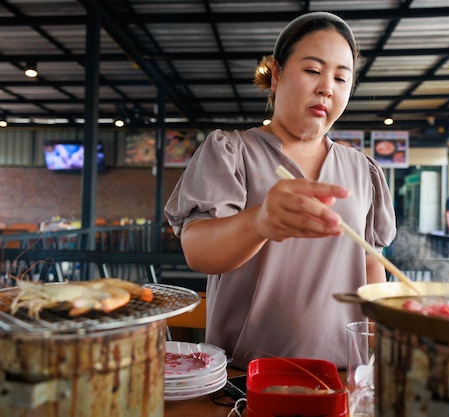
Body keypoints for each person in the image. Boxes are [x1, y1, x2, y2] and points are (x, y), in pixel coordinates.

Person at [164, 12, 396, 370]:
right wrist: (260, 221)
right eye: (313, 70)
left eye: (340, 77)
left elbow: (369, 264)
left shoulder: (362, 170)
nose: (327, 88)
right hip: (242, 376)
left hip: (341, 374)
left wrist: (380, 352)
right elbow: (197, 251)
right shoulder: (231, 151)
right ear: (276, 74)